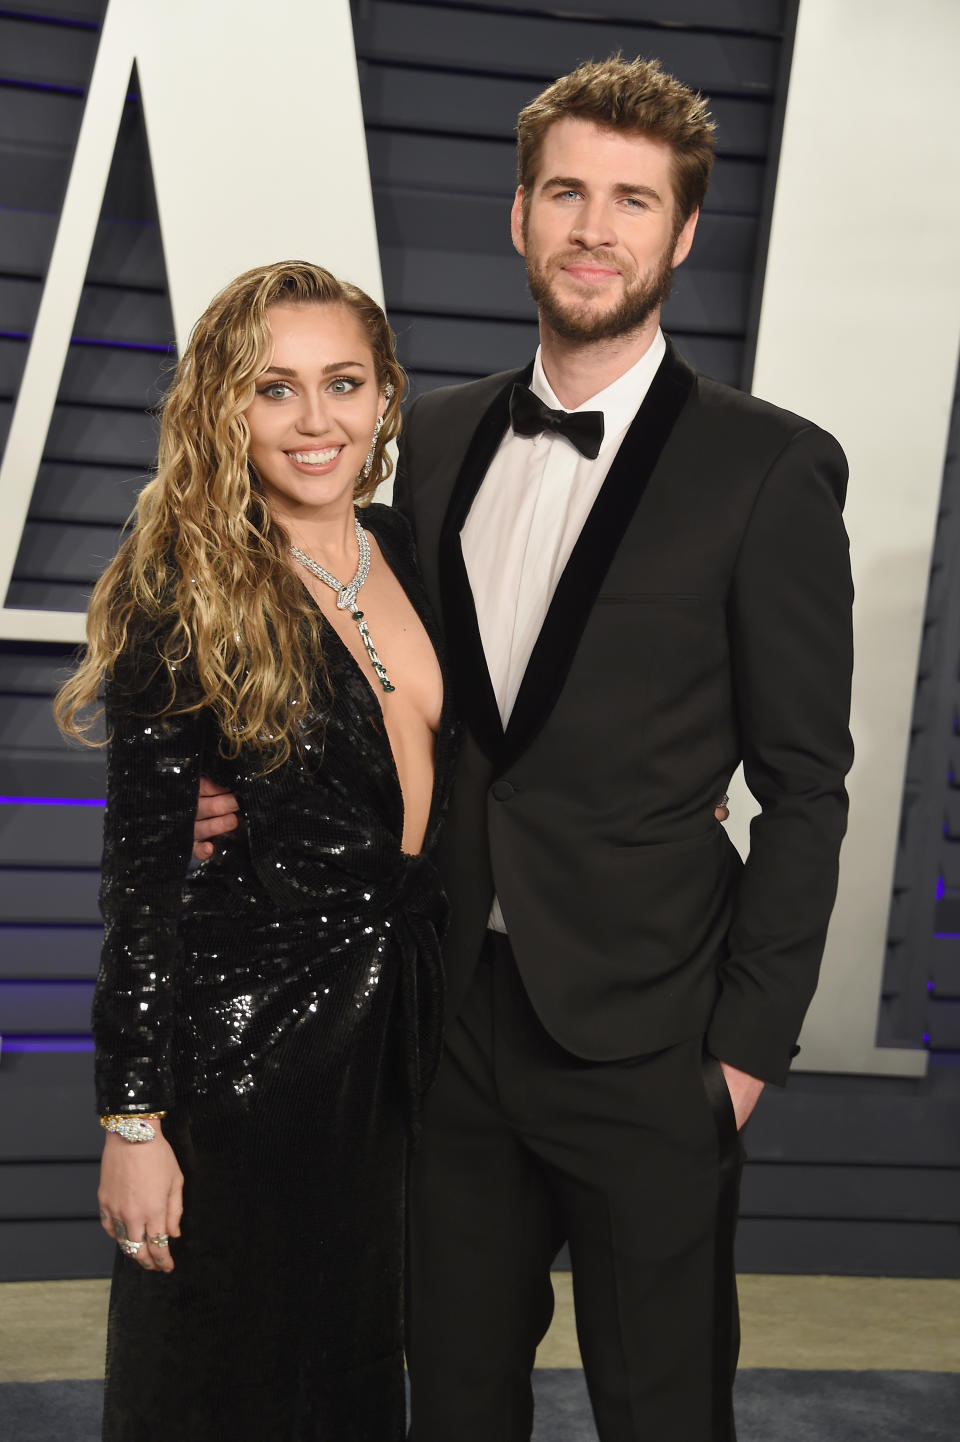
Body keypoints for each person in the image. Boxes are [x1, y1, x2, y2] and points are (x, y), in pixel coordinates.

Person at [196, 57, 854, 1442]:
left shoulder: (769, 468)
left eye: (631, 199)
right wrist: (241, 796)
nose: (593, 227)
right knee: (457, 1401)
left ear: (681, 235)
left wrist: (741, 1051)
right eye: (566, 190)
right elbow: (373, 681)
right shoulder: (425, 439)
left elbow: (807, 786)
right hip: (448, 1029)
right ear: (518, 214)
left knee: (665, 1409)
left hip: (657, 1036)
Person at [55, 260, 455, 1442]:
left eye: (343, 382)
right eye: (274, 388)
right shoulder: (183, 586)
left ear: (386, 394)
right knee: (219, 1378)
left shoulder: (413, 552)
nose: (315, 419)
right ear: (223, 409)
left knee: (351, 1372)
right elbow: (140, 884)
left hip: (400, 1033)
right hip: (245, 1041)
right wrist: (135, 1120)